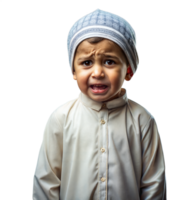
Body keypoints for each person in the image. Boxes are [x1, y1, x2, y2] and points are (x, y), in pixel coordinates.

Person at [30, 8, 168, 200]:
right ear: (74, 72)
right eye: (86, 63)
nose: (97, 73)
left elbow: (154, 184)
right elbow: (46, 182)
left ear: (128, 71)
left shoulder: (142, 120)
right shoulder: (60, 119)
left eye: (109, 62)